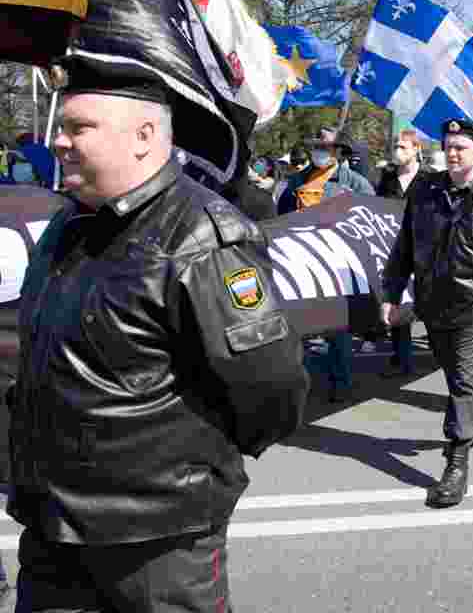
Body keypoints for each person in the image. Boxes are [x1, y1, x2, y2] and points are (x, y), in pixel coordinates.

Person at [10, 80, 308, 611]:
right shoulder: (69, 223)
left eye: (79, 127)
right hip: (53, 524)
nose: (59, 141)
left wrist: (193, 468)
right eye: (62, 126)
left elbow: (270, 385)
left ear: (144, 135)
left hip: (157, 539)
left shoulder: (202, 236)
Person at [380, 118, 473, 508]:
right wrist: (391, 292)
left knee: (464, 378)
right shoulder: (426, 191)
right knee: (452, 374)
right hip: (433, 303)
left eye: (461, 147)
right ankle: (464, 428)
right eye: (448, 145)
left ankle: (457, 458)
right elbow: (404, 246)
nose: (452, 152)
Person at [278, 129, 375, 401]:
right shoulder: (297, 180)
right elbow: (281, 215)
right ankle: (300, 384)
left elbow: (369, 221)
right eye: (316, 146)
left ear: (339, 152)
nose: (319, 151)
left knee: (337, 330)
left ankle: (340, 382)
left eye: (326, 147)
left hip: (338, 265)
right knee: (299, 328)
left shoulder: (355, 183)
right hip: (300, 261)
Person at [376, 130, 428, 377]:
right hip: (394, 249)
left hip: (424, 249)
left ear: (417, 149)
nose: (398, 151)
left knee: (428, 302)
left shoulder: (430, 178)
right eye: (396, 146)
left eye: (404, 147)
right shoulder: (387, 178)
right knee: (397, 300)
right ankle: (401, 359)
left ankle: (440, 350)